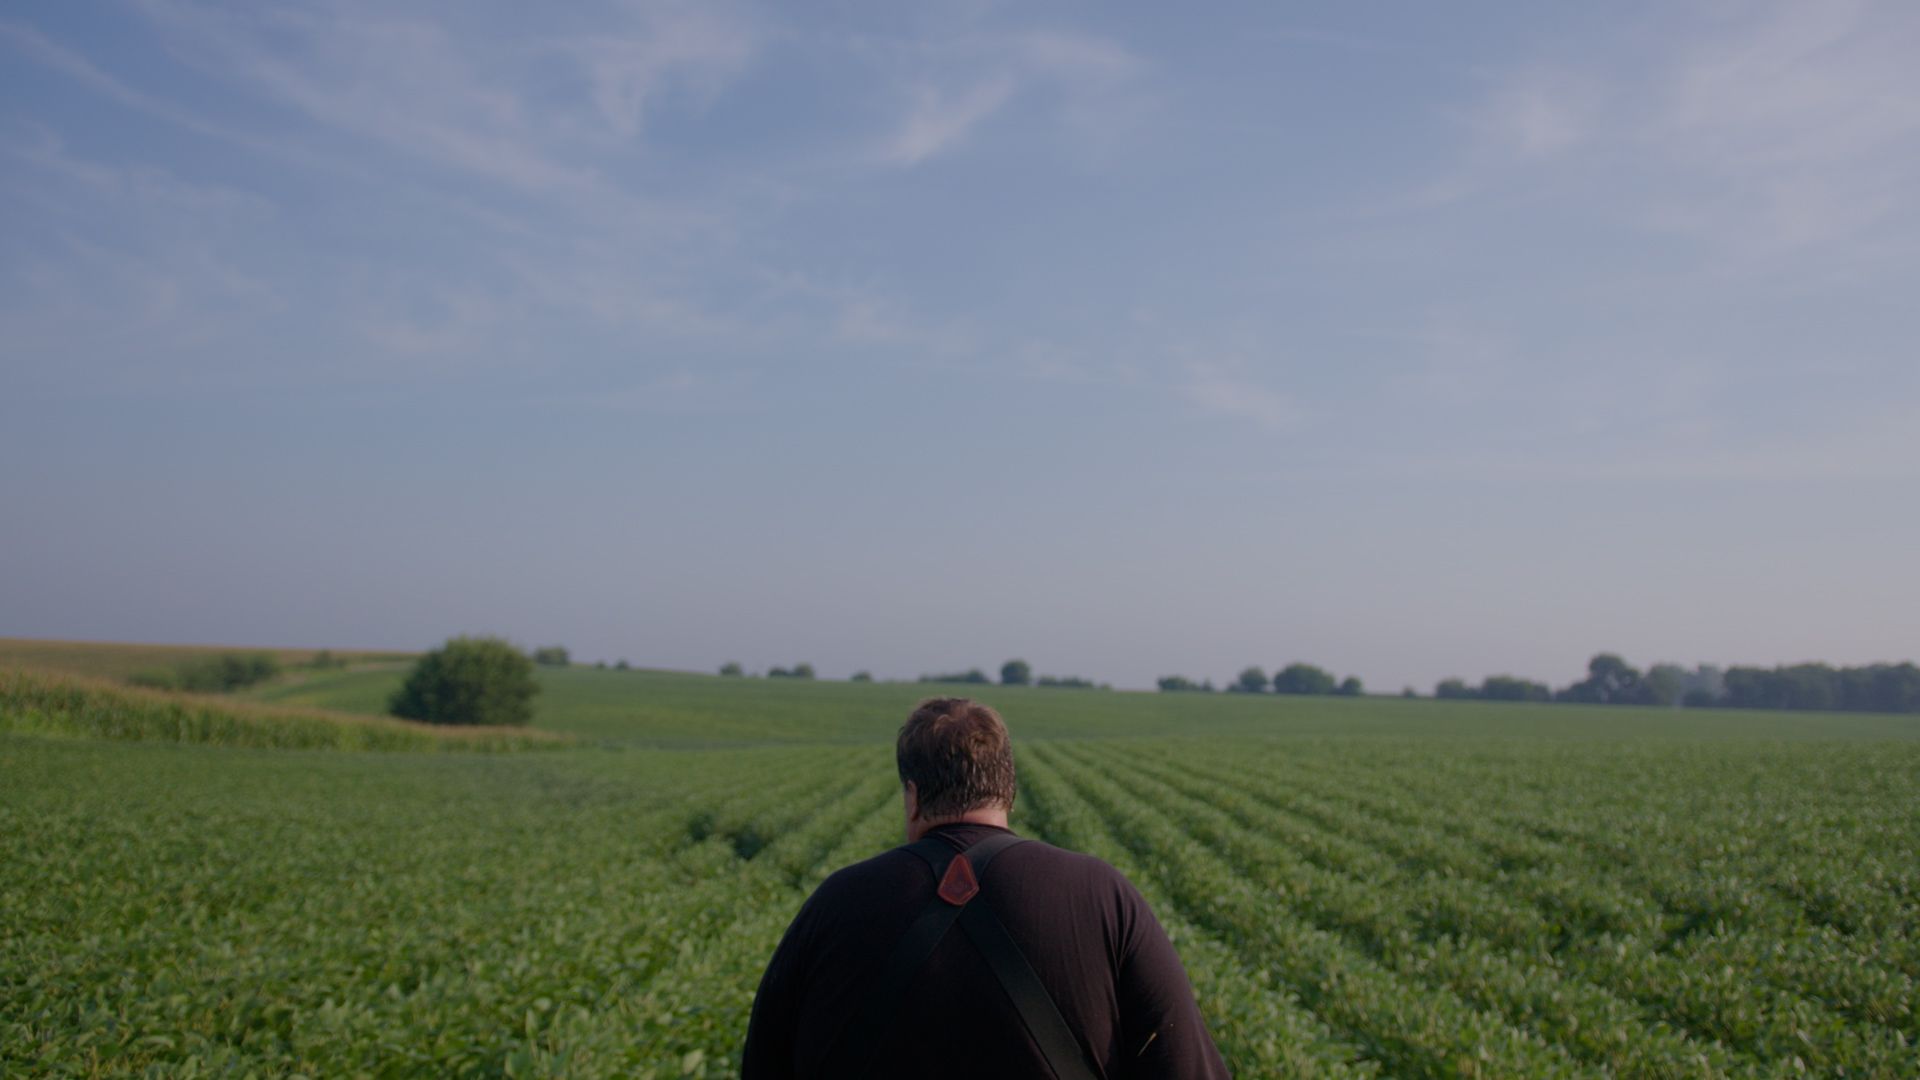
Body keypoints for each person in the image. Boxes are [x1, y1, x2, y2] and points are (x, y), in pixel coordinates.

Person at [741, 697, 1229, 1079]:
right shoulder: (1103, 895)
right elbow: (1183, 1065)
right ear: (1008, 790)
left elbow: (764, 1064)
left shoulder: (836, 902)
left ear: (912, 797)